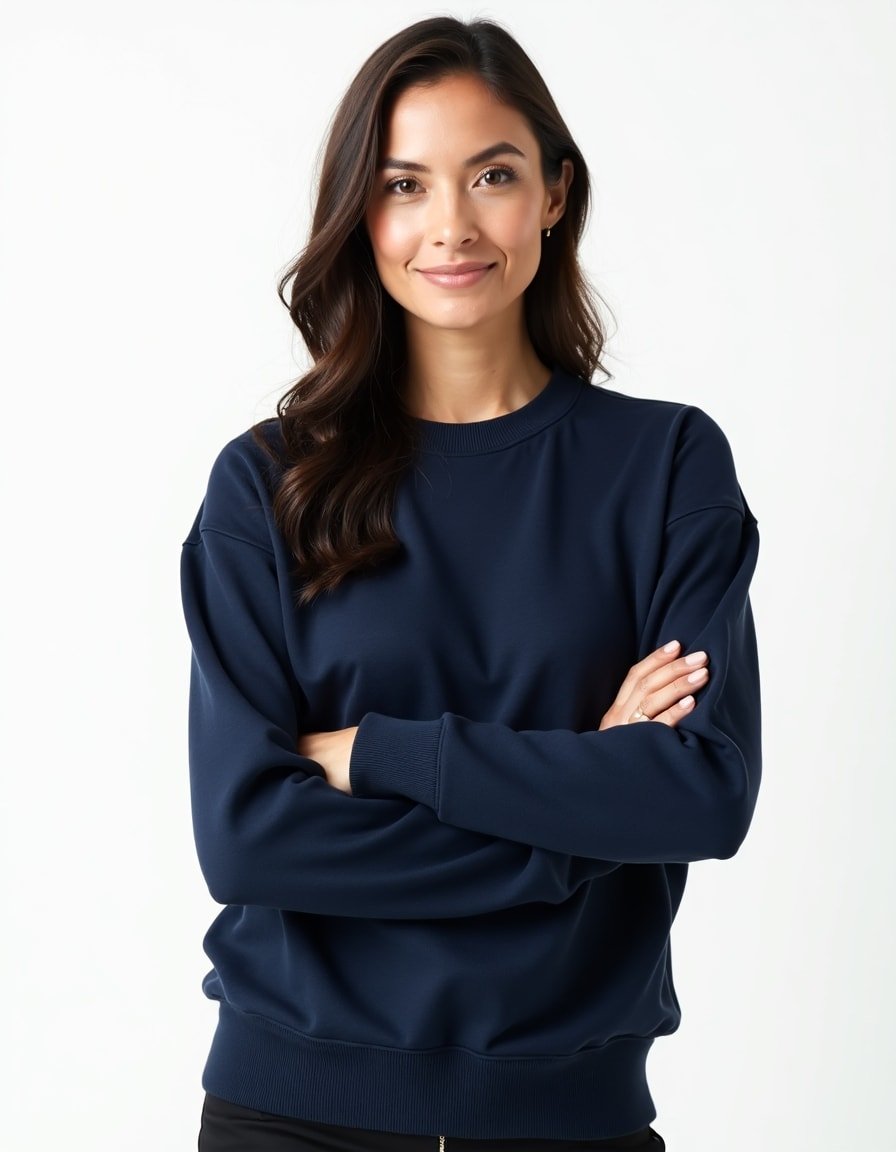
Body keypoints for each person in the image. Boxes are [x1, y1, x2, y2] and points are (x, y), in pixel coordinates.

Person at [180, 15, 761, 1152]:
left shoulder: (665, 465)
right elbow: (250, 838)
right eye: (403, 185)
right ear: (363, 213)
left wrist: (378, 754)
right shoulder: (268, 485)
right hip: (291, 1117)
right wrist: (578, 820)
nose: (449, 226)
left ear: (552, 191)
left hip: (569, 1120)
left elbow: (698, 798)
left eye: (490, 175)